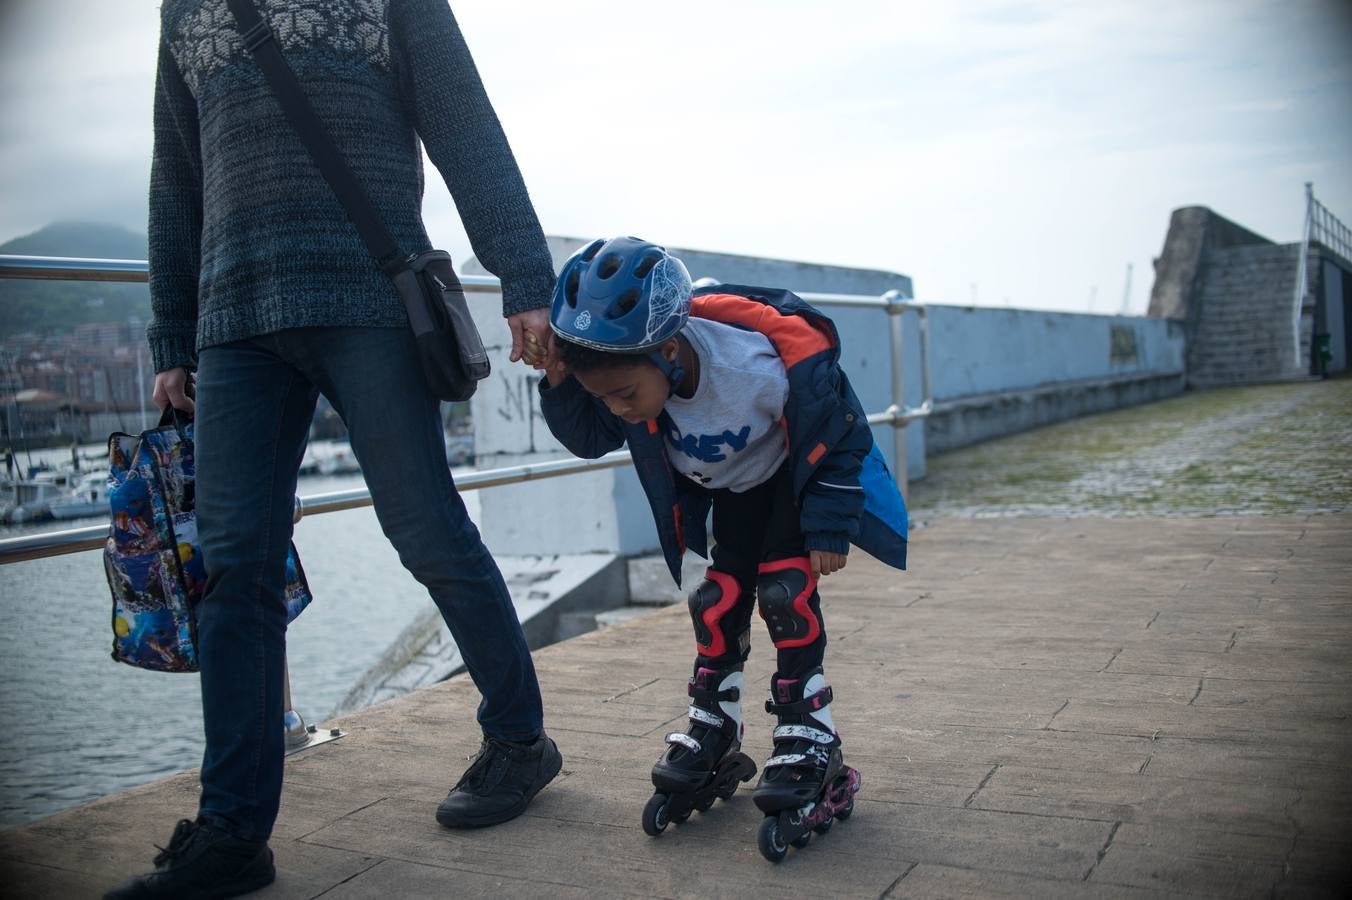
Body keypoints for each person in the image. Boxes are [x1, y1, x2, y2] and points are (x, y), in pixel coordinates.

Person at [107, 2, 561, 898]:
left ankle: (519, 739)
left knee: (427, 529)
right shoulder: (187, 9)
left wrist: (525, 276)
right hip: (234, 321)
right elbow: (177, 174)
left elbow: (466, 126)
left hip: (369, 302)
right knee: (232, 566)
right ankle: (233, 833)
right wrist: (170, 333)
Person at [536, 236, 908, 857]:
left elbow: (840, 431)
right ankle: (717, 721)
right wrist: (559, 386)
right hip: (730, 498)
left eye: (625, 394)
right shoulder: (624, 378)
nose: (619, 409)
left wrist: (827, 526)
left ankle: (810, 732)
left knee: (784, 596)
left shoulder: (751, 368)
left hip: (788, 488)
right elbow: (592, 435)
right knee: (715, 601)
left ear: (670, 350)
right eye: (605, 396)